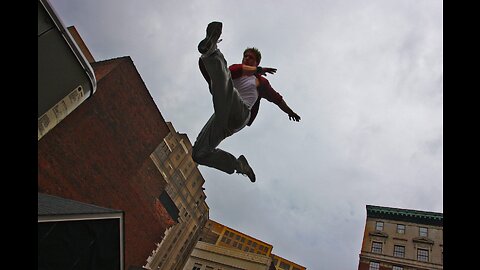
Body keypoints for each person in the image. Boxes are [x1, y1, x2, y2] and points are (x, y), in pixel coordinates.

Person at [192, 21, 301, 183]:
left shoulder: (260, 82)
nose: (247, 59)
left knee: (225, 85)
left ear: (257, 62)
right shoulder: (238, 70)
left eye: (251, 58)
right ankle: (239, 165)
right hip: (222, 116)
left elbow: (277, 99)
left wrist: (290, 112)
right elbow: (229, 73)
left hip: (239, 113)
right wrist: (255, 69)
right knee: (199, 153)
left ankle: (212, 50)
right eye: (246, 56)